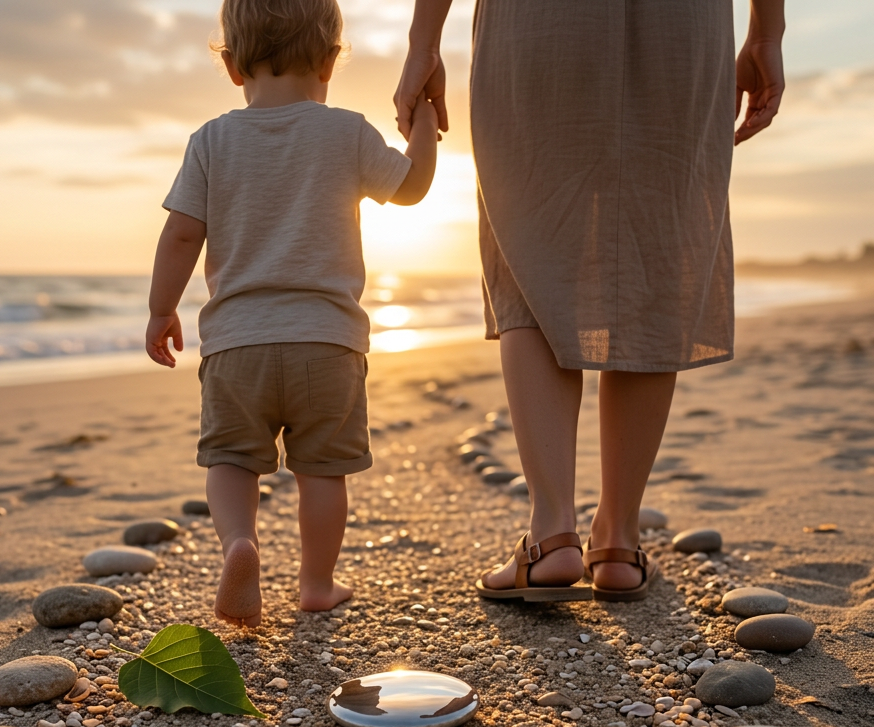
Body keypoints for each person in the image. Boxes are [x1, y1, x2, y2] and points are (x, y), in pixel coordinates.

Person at [394, 0, 785, 602]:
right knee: (656, 251)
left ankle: (552, 534)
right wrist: (767, 31)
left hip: (540, 24)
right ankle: (618, 541)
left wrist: (424, 41)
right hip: (683, 25)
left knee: (529, 250)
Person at [146, 0, 439, 626]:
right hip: (327, 344)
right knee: (322, 472)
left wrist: (160, 310)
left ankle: (239, 545)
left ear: (231, 65)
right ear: (332, 59)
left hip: (235, 345)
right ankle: (316, 584)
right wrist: (424, 122)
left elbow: (180, 236)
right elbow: (411, 187)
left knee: (230, 461)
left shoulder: (212, 140)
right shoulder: (347, 131)